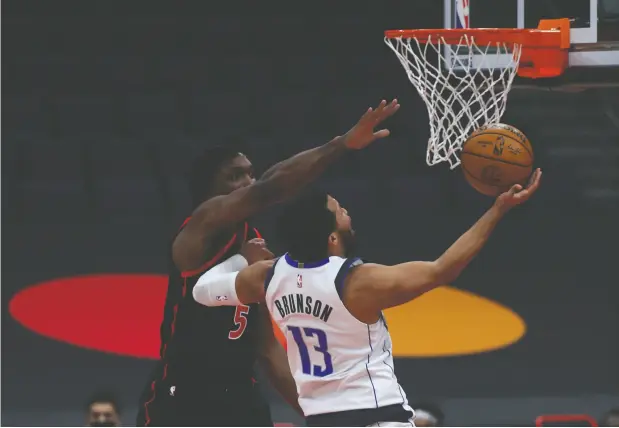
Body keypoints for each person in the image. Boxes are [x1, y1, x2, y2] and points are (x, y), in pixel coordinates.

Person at [194, 169, 542, 427]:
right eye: (340, 210)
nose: (347, 212)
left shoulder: (267, 276)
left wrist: (242, 257)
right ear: (331, 236)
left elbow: (202, 291)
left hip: (321, 420)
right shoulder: (357, 282)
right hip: (376, 416)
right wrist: (497, 211)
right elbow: (443, 269)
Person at [136, 99, 401, 427]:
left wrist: (321, 416)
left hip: (239, 391)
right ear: (210, 191)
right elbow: (269, 188)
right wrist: (341, 144)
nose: (248, 182)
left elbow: (266, 348)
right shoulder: (199, 229)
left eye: (250, 174)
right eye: (235, 176)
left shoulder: (255, 239)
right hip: (183, 391)